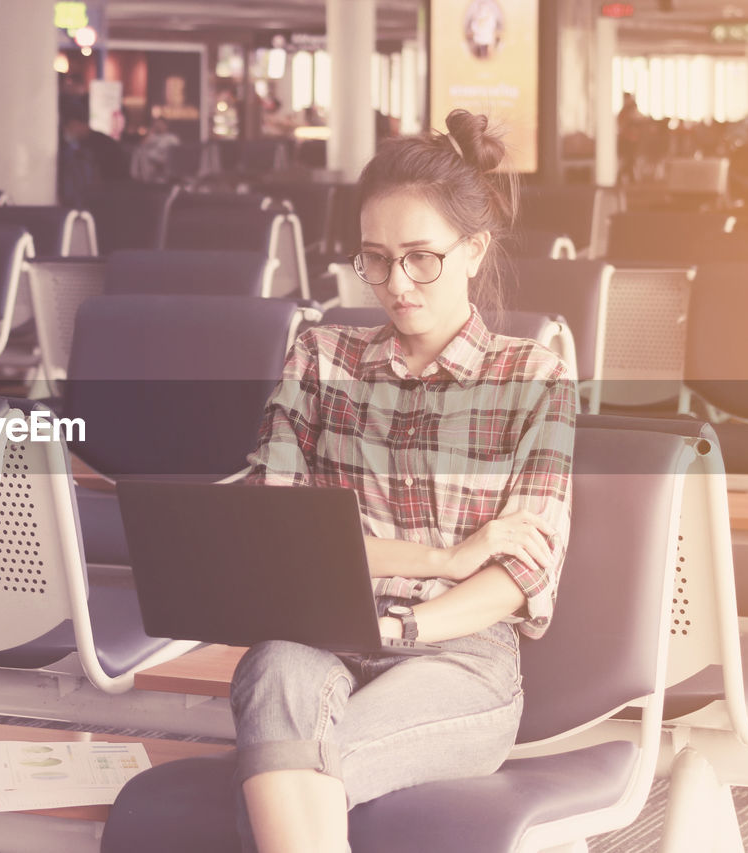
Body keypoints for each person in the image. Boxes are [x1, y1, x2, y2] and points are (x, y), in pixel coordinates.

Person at [230, 109, 576, 853]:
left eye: (421, 258)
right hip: (319, 633)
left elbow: (521, 568)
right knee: (272, 671)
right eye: (376, 259)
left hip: (462, 654)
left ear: (474, 249)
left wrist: (405, 623)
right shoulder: (321, 355)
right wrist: (442, 556)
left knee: (279, 781)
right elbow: (273, 525)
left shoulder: (531, 376)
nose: (397, 283)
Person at [57, 106, 131, 208]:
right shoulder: (80, 145)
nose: (67, 130)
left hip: (106, 199)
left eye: (69, 126)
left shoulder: (99, 145)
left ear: (78, 124)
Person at [130, 117, 182, 183]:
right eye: (157, 124)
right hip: (151, 158)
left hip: (165, 158)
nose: (158, 126)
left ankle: (145, 178)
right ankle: (135, 175)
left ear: (165, 125)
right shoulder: (152, 136)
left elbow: (177, 152)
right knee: (138, 151)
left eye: (160, 124)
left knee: (144, 154)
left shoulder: (171, 137)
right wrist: (151, 132)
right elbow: (141, 145)